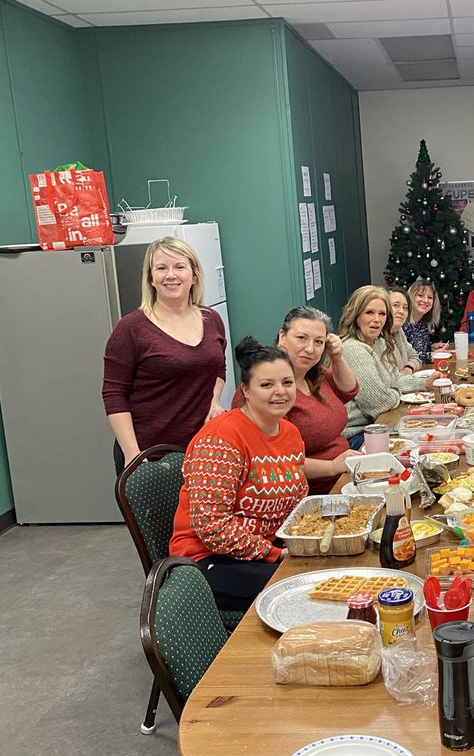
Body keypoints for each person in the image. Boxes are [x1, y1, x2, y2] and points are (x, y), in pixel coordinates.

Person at [169, 338, 309, 611]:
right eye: (266, 385)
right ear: (245, 390)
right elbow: (212, 526)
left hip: (265, 551)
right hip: (207, 561)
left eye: (287, 382)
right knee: (300, 593)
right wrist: (274, 554)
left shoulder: (291, 433)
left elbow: (297, 502)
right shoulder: (220, 438)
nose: (280, 392)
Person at [102, 237, 227, 474]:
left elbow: (219, 368)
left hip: (203, 449)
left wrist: (214, 401)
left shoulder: (212, 319)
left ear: (194, 275)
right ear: (151, 278)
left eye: (179, 266)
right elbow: (113, 393)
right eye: (161, 268)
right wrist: (132, 453)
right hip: (150, 455)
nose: (171, 275)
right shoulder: (131, 328)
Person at [276, 306, 361, 496]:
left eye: (318, 342)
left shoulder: (313, 375)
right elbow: (277, 461)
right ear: (282, 337)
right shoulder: (273, 391)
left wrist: (336, 357)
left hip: (345, 476)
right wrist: (332, 466)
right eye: (301, 338)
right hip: (315, 491)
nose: (310, 349)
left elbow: (350, 390)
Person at [338, 285, 429, 447]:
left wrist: (425, 384)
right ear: (356, 315)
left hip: (376, 426)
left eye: (382, 314)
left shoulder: (378, 342)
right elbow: (378, 403)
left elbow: (395, 379)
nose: (377, 319)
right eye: (369, 312)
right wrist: (396, 393)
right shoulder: (352, 348)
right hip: (355, 435)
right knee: (418, 444)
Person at [403, 277, 445, 364]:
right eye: (420, 295)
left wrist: (432, 347)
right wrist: (430, 356)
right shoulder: (403, 322)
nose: (425, 300)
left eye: (429, 297)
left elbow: (419, 348)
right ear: (411, 297)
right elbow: (405, 356)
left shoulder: (423, 321)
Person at [387, 286, 422, 375]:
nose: (402, 311)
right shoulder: (377, 337)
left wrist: (408, 369)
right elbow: (392, 378)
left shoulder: (398, 331)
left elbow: (415, 357)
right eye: (396, 305)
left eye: (405, 308)